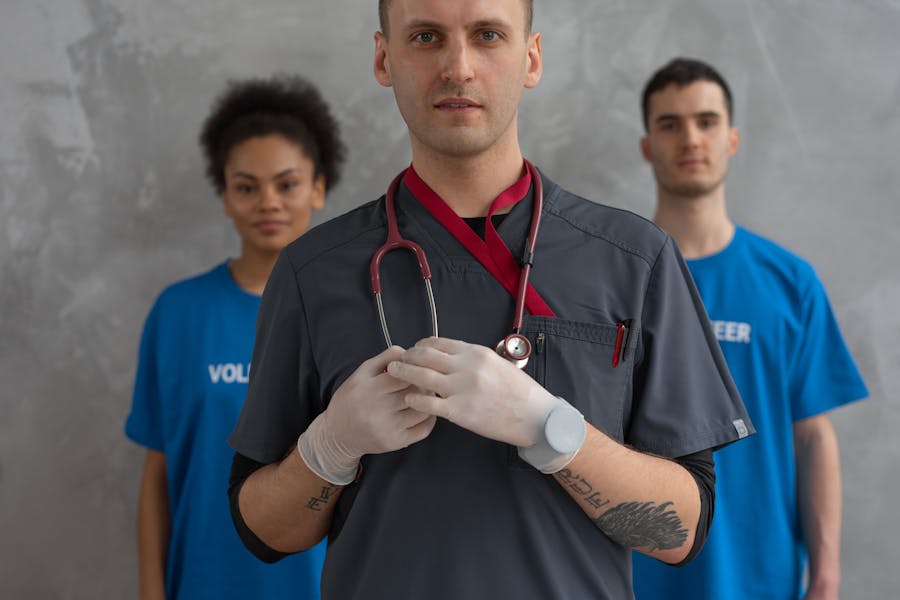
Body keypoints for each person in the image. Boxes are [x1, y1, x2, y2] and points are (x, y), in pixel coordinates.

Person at [227, 3, 753, 598]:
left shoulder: (635, 260)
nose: (458, 67)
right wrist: (330, 447)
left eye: (487, 35)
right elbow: (264, 532)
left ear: (530, 57)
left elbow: (681, 531)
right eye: (426, 37)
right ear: (383, 58)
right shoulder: (312, 271)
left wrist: (553, 431)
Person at [631, 58, 869, 600]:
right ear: (647, 145)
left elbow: (812, 436)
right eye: (670, 124)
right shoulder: (615, 279)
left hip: (762, 577)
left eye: (707, 121)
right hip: (636, 577)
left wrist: (827, 576)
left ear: (732, 139)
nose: (691, 137)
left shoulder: (789, 282)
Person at [125, 74, 346, 599]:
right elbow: (158, 475)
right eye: (246, 186)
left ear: (318, 186)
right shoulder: (178, 312)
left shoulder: (352, 314)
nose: (267, 202)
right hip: (204, 582)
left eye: (287, 183)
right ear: (224, 196)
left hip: (321, 585)